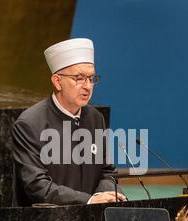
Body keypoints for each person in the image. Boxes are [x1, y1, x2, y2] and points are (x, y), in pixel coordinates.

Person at [12, 38, 126, 206]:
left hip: (91, 218)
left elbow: (107, 171)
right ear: (57, 81)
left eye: (91, 78)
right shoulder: (30, 124)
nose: (87, 86)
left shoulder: (96, 119)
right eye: (79, 78)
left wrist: (106, 195)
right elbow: (36, 185)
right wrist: (88, 200)